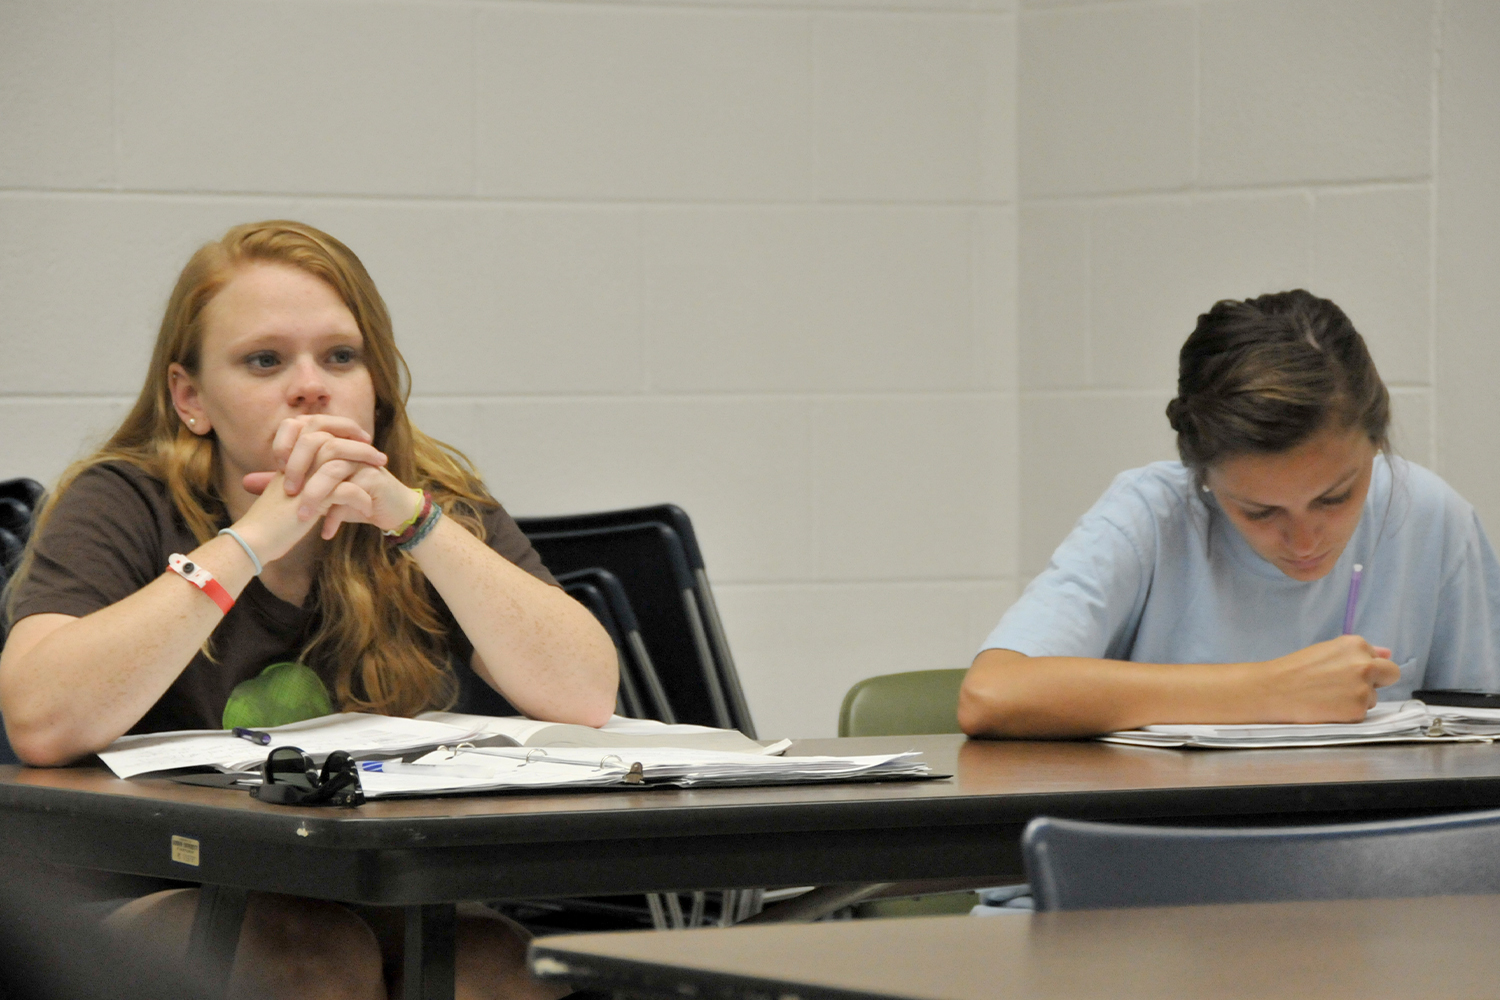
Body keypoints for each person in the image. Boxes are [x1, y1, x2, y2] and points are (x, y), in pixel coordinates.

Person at [0, 220, 619, 999]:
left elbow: (587, 692)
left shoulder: (429, 501)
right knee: (304, 957)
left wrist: (411, 517)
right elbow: (41, 718)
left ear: (377, 383)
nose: (310, 386)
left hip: (363, 888)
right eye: (265, 360)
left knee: (496, 963)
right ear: (190, 398)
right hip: (138, 900)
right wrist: (252, 540)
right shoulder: (123, 500)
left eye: (341, 357)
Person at [959, 289, 1500, 739]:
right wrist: (1270, 691)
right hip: (1173, 846)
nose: (1305, 539)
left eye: (1334, 498)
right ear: (1201, 476)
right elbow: (993, 693)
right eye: (1259, 511)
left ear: (1378, 443)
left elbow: (1479, 731)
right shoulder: (1153, 515)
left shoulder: (1431, 517)